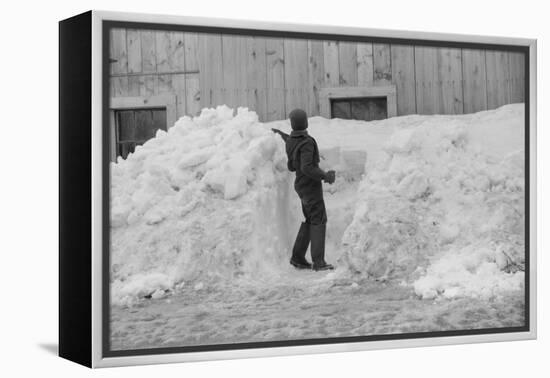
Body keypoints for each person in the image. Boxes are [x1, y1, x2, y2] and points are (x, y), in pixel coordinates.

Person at [273, 109, 336, 271]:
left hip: (301, 186)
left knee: (310, 219)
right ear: (306, 122)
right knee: (318, 219)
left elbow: (291, 141)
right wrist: (325, 176)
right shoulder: (306, 142)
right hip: (310, 187)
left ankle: (298, 257)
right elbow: (307, 167)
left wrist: (281, 134)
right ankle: (319, 262)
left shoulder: (293, 140)